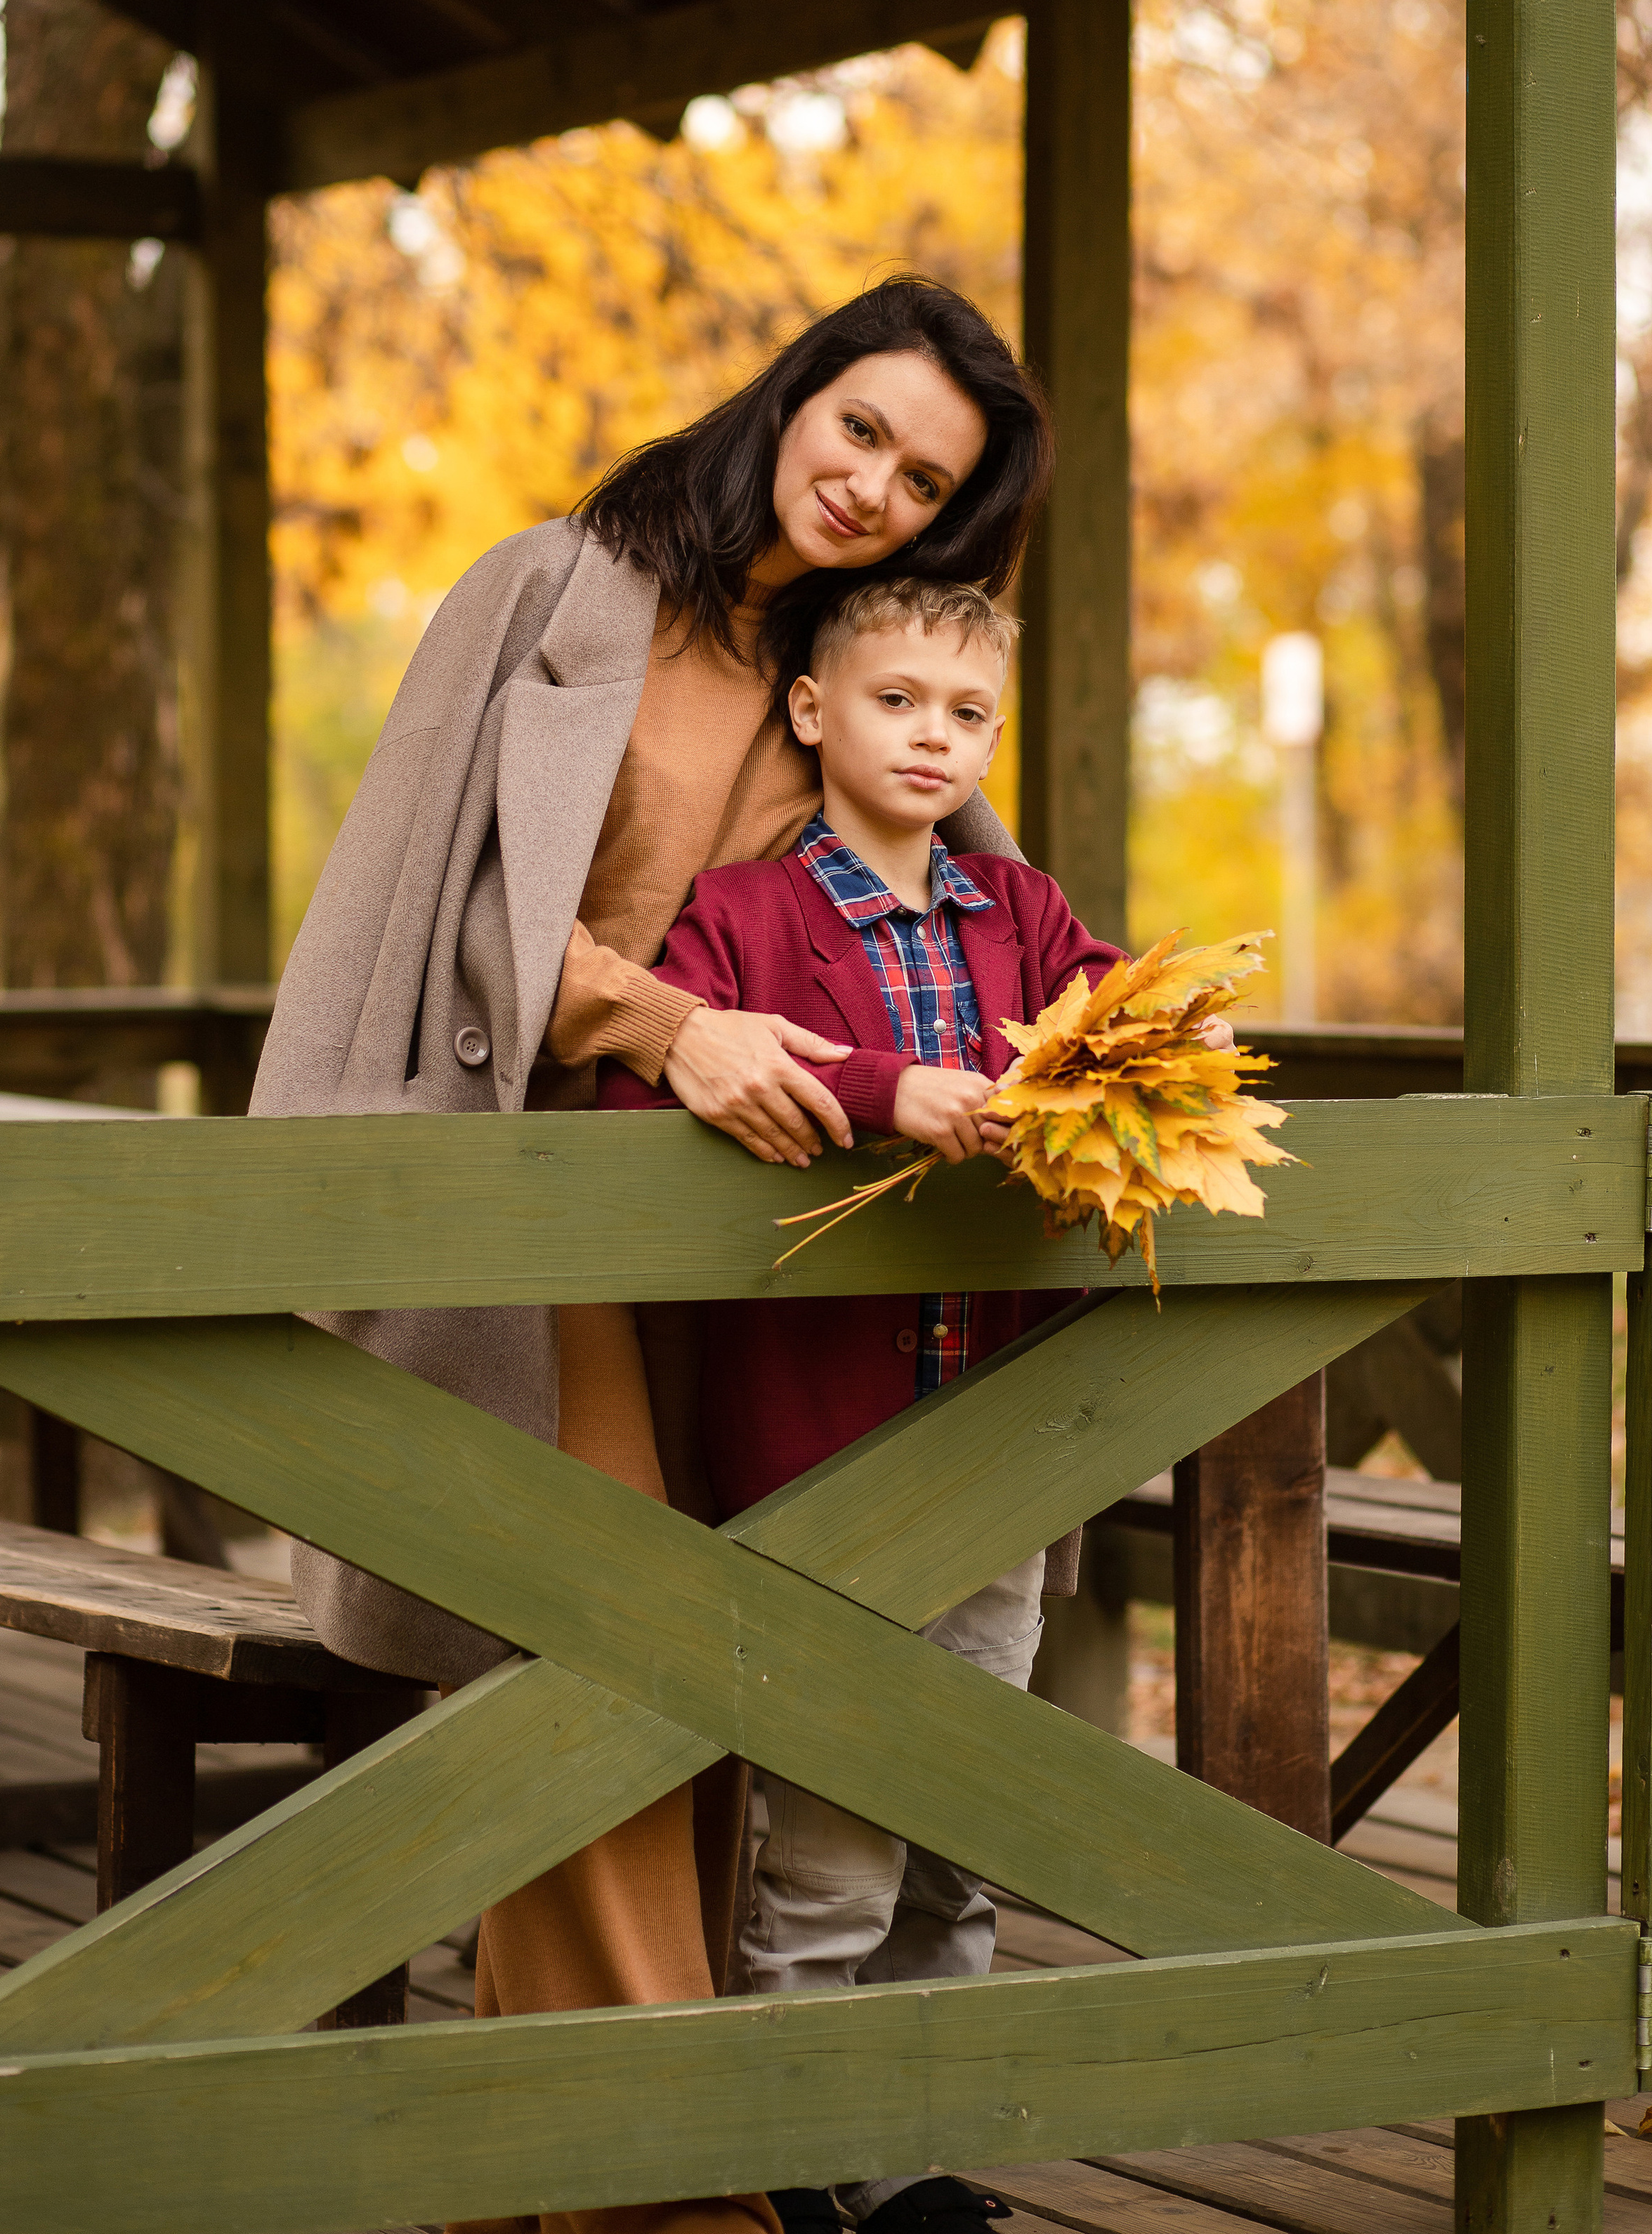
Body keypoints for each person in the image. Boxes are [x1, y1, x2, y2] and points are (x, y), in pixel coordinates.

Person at [248, 277, 1055, 2234]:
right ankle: (672, 2193)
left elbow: (964, 923)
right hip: (535, 1235)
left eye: (924, 481)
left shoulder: (848, 673)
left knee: (718, 1700)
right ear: (795, 395)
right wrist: (664, 1023)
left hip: (752, 1261)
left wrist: (1094, 1076)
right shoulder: (552, 594)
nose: (873, 487)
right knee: (605, 1653)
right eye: (860, 428)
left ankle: (551, 2169)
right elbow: (426, 909)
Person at [598, 576, 1122, 2234]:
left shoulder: (1020, 915)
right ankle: (797, 2161)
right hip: (819, 1463)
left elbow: (1122, 1029)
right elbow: (641, 1094)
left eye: (966, 715)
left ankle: (910, 2160)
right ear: (812, 713)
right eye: (896, 701)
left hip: (994, 1460)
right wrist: (886, 1092)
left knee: (956, 1828)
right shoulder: (741, 917)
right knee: (827, 1847)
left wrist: (1134, 1063)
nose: (931, 738)